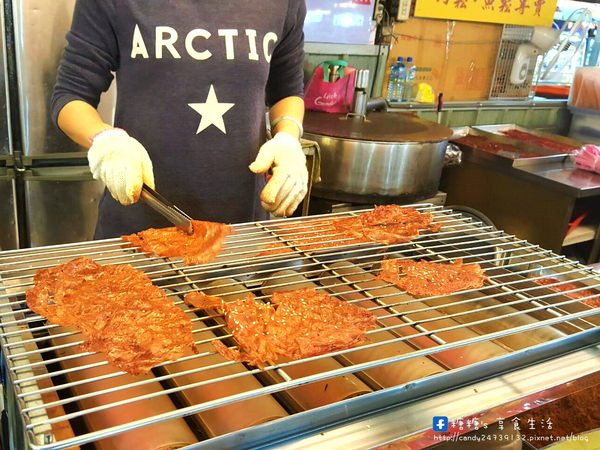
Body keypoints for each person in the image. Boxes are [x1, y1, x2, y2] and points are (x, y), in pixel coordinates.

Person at [51, 1, 308, 239]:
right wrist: (104, 140)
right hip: (138, 225)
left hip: (240, 230)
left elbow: (287, 91)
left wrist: (287, 137)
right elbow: (71, 95)